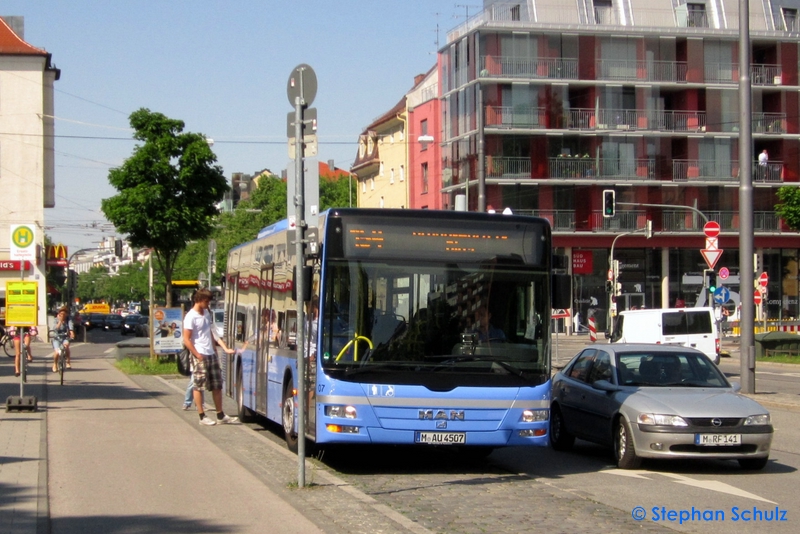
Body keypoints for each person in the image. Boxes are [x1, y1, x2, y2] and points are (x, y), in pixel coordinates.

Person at [183, 288, 238, 426]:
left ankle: (220, 414)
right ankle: (202, 416)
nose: (208, 304)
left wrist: (224, 348)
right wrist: (197, 355)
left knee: (217, 385)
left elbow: (213, 332)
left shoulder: (207, 312)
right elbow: (186, 339)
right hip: (200, 354)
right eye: (206, 301)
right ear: (199, 300)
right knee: (199, 385)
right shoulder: (191, 317)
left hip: (211, 353)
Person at [51, 307, 74, 373]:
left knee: (66, 347)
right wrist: (60, 321)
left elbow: (70, 327)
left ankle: (68, 362)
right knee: (57, 352)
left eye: (64, 314)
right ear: (59, 314)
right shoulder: (56, 319)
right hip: (56, 338)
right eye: (61, 314)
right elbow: (55, 329)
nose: (63, 315)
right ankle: (55, 364)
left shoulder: (68, 319)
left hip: (65, 337)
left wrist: (71, 332)